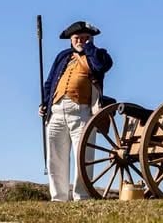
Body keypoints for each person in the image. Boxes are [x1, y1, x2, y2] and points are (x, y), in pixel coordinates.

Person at [39, 20, 114, 201]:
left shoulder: (98, 55)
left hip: (82, 112)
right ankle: (58, 198)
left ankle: (82, 196)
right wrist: (44, 103)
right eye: (76, 38)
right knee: (55, 157)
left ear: (90, 39)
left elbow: (101, 66)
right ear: (70, 40)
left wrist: (88, 48)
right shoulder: (63, 57)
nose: (79, 40)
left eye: (84, 38)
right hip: (56, 111)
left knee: (83, 157)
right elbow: (49, 83)